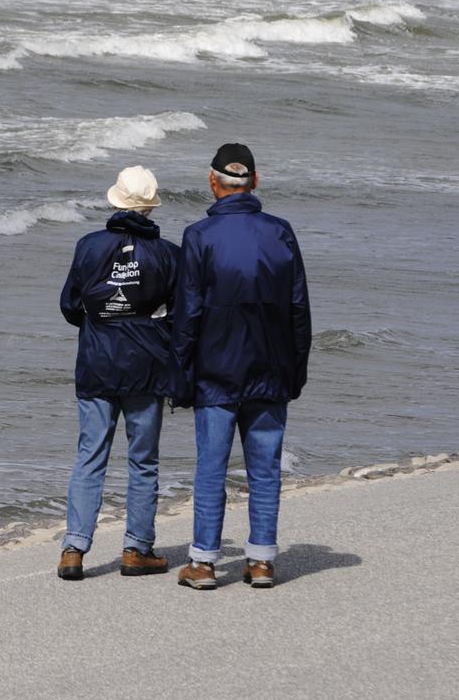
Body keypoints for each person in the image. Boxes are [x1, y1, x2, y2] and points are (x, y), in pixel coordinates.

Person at [171, 143, 311, 591]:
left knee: (211, 467)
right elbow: (298, 309)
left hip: (215, 370)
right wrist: (297, 370)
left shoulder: (198, 235)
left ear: (212, 183)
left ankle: (205, 563)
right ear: (256, 180)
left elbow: (187, 312)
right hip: (271, 368)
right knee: (265, 466)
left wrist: (180, 372)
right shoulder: (281, 231)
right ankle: (262, 561)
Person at [57, 165, 180, 580]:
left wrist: (105, 321)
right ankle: (136, 549)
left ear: (116, 200)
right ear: (150, 207)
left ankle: (74, 548)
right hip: (146, 365)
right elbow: (181, 313)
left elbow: (71, 306)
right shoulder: (168, 253)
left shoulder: (89, 246)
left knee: (90, 456)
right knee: (143, 460)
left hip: (97, 361)